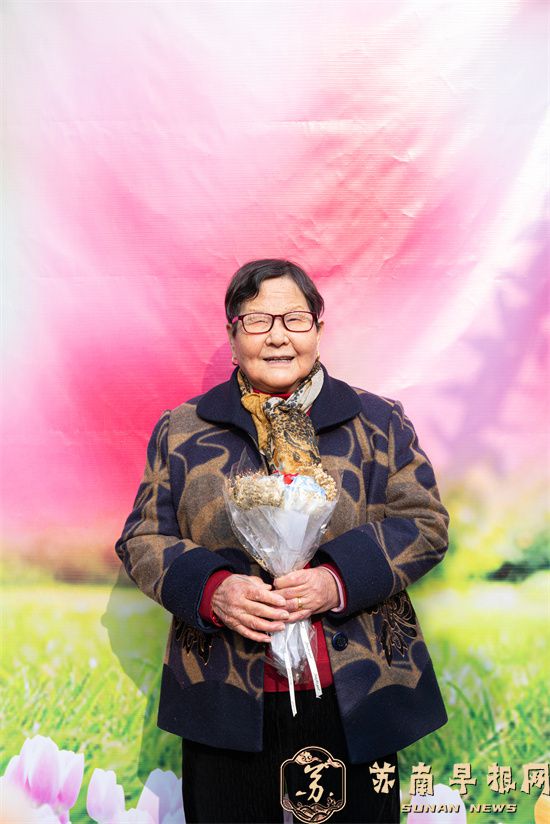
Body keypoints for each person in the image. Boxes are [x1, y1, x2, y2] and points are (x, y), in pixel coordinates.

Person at [115, 258, 450, 823]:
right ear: (232, 335)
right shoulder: (183, 429)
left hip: (354, 692)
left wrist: (335, 581)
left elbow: (425, 523)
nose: (277, 337)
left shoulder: (378, 422)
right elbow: (142, 538)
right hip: (226, 695)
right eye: (257, 321)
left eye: (295, 319)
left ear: (318, 329)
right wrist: (214, 590)